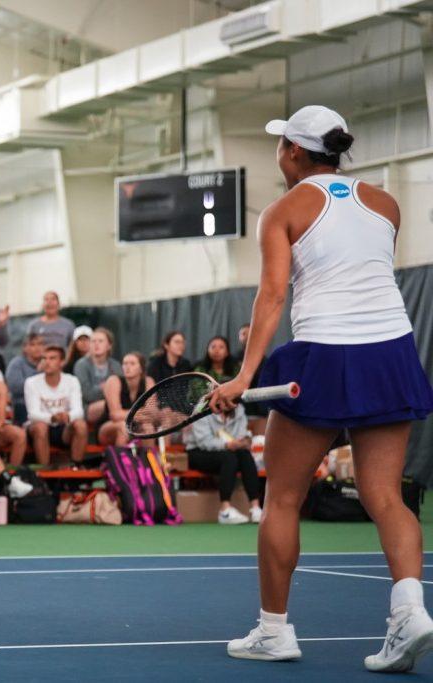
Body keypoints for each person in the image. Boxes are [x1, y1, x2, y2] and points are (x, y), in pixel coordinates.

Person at [212, 106, 433, 669]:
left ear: (291, 150)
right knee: (385, 496)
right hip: (392, 351)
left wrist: (243, 376)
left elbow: (273, 296)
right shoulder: (386, 203)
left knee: (282, 497)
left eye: (278, 144)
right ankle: (410, 612)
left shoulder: (281, 211)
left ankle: (274, 631)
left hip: (325, 353)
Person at [183, 403, 262, 525]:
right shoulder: (202, 410)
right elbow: (204, 441)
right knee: (229, 458)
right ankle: (225, 510)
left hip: (229, 451)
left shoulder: (239, 409)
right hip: (198, 452)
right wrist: (227, 445)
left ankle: (255, 508)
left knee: (245, 455)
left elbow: (242, 434)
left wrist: (243, 441)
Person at [24, 345, 88, 465]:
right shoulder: (31, 382)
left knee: (81, 425)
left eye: (52, 358)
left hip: (64, 427)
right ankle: (44, 473)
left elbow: (79, 411)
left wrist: (67, 416)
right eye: (44, 358)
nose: (47, 362)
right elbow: (32, 414)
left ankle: (75, 468)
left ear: (62, 362)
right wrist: (52, 418)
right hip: (39, 428)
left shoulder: (72, 381)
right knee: (40, 427)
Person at [98, 352, 155, 447]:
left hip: (136, 427)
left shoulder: (148, 382)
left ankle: (147, 460)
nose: (127, 367)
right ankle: (121, 461)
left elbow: (152, 415)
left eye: (132, 364)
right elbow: (115, 415)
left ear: (141, 368)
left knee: (148, 427)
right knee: (123, 426)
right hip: (109, 427)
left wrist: (127, 414)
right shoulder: (114, 381)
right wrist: (142, 414)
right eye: (125, 363)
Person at [74, 327, 122, 425]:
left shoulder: (116, 365)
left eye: (100, 341)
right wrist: (109, 387)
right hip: (88, 408)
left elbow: (122, 390)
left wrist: (105, 387)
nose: (96, 344)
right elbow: (88, 394)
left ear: (109, 345)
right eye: (93, 341)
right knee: (111, 405)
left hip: (114, 406)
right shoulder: (81, 365)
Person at [5, 332, 44, 425]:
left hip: (46, 404)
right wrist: (38, 373)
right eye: (32, 345)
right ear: (25, 348)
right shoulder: (16, 364)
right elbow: (15, 388)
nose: (37, 348)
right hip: (23, 405)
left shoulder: (49, 361)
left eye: (40, 344)